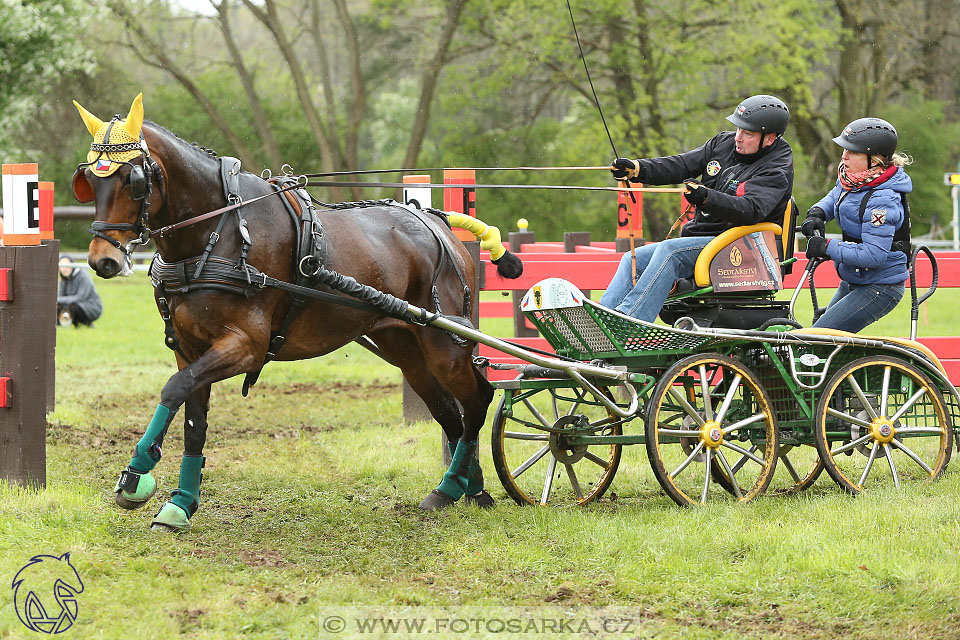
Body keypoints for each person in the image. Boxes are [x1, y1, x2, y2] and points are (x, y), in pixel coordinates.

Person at [600, 94, 794, 322]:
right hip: (707, 241)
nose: (738, 138)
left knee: (670, 252)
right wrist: (638, 169)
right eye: (738, 129)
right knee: (633, 259)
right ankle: (602, 318)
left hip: (742, 247)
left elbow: (750, 210)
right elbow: (681, 164)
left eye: (748, 133)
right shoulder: (723, 143)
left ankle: (627, 321)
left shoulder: (776, 170)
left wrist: (707, 198)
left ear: (770, 138)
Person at [800, 117, 911, 333]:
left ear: (875, 158)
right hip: (855, 277)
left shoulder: (884, 200)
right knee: (817, 338)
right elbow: (836, 197)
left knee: (818, 339)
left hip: (880, 286)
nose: (844, 156)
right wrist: (818, 212)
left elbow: (873, 255)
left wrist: (826, 247)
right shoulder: (852, 179)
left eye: (853, 151)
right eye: (844, 149)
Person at [58, 255, 102, 327]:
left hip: (91, 307)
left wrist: (58, 299)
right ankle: (58, 326)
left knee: (74, 306)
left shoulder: (83, 276)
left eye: (66, 265)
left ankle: (85, 323)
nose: (64, 269)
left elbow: (80, 298)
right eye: (62, 266)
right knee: (55, 306)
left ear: (72, 265)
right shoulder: (63, 279)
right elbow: (60, 297)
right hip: (73, 304)